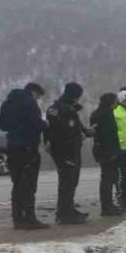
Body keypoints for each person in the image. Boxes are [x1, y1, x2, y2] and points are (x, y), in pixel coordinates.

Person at [0, 82, 49, 229]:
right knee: (29, 184)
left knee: (17, 184)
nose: (38, 99)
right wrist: (45, 124)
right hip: (28, 148)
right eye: (38, 96)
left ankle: (18, 219)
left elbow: (3, 126)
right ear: (34, 92)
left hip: (12, 147)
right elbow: (37, 125)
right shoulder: (30, 104)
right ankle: (30, 219)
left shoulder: (7, 104)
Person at [44, 82, 93, 224]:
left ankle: (67, 210)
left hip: (57, 150)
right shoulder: (68, 111)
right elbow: (70, 132)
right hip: (68, 151)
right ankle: (65, 214)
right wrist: (83, 135)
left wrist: (48, 141)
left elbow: (49, 129)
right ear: (75, 95)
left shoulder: (52, 108)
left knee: (66, 182)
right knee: (69, 182)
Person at [89, 93, 124, 217]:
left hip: (99, 149)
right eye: (115, 101)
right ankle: (107, 207)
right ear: (111, 102)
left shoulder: (96, 114)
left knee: (106, 178)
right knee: (108, 179)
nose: (117, 104)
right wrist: (114, 152)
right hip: (108, 151)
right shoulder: (107, 115)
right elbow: (109, 136)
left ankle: (107, 205)